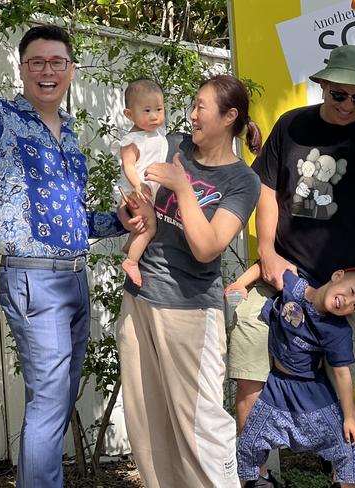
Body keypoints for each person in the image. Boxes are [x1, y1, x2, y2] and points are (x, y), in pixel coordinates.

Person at [228, 43, 355, 487]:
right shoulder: (293, 125)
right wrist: (266, 251)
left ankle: (344, 476)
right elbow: (265, 187)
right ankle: (256, 477)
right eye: (339, 95)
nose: (348, 105)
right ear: (322, 86)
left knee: (341, 393)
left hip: (345, 291)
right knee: (250, 373)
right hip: (280, 279)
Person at [0, 5, 128, 487]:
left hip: (73, 279)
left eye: (57, 62)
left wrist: (119, 220)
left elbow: (75, 222)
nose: (47, 71)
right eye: (36, 63)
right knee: (48, 401)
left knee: (59, 400)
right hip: (32, 278)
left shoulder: (72, 142)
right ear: (21, 69)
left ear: (71, 70)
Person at [116, 74, 262, 488]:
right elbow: (140, 198)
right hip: (140, 298)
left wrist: (182, 188)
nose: (192, 114)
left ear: (230, 116)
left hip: (189, 312)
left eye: (202, 107)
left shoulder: (241, 181)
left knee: (200, 426)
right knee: (149, 425)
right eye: (193, 105)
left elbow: (207, 246)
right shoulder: (172, 144)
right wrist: (134, 209)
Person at [226, 263, 355, 488]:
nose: (347, 302)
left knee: (346, 449)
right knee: (248, 445)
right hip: (275, 390)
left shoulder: (337, 331)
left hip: (312, 395)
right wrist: (239, 284)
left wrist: (350, 418)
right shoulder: (295, 287)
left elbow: (343, 376)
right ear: (337, 275)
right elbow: (266, 268)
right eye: (351, 292)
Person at [114, 79, 168, 287]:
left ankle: (130, 245)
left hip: (146, 190)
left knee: (144, 223)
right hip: (135, 191)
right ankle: (131, 262)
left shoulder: (156, 134)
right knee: (149, 227)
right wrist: (137, 184)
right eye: (147, 110)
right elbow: (128, 166)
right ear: (129, 114)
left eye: (159, 109)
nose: (154, 116)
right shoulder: (131, 140)